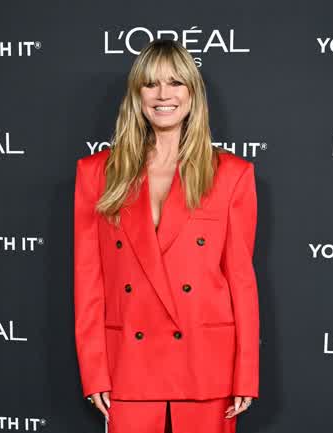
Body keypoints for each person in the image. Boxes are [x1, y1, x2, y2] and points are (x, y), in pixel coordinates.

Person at [73, 39, 260, 433]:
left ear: (192, 93)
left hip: (205, 365)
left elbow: (241, 281)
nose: (163, 95)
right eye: (151, 83)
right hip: (128, 365)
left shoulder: (231, 174)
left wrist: (246, 373)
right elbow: (89, 282)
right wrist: (94, 371)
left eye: (175, 82)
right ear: (137, 94)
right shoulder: (97, 173)